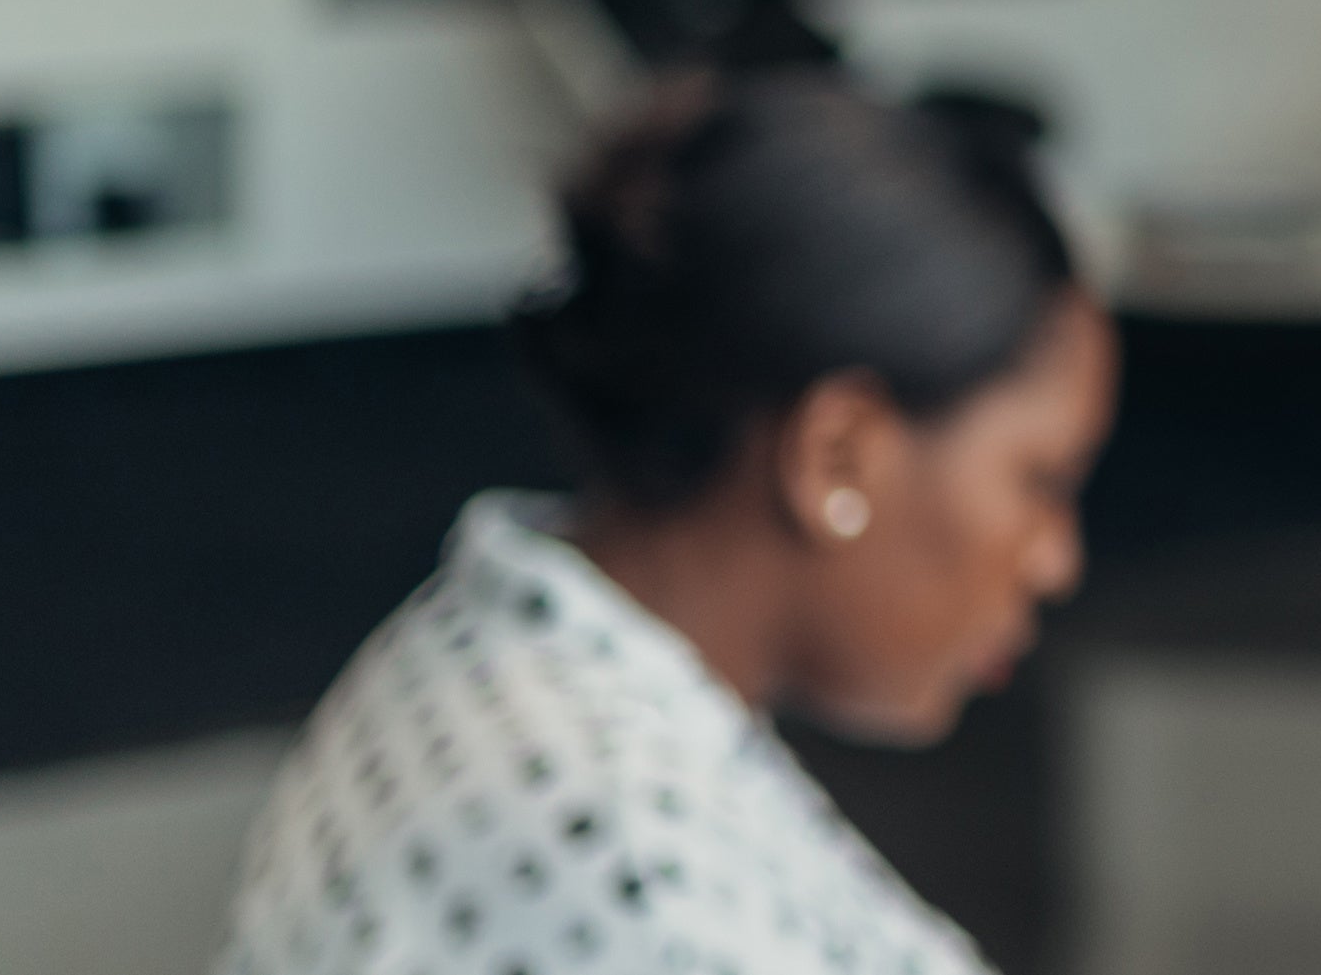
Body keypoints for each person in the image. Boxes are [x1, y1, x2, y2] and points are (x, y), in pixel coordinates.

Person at [222, 71, 1113, 975]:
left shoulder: (498, 657)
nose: (1055, 562)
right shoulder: (637, 881)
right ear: (836, 454)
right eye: (1040, 481)